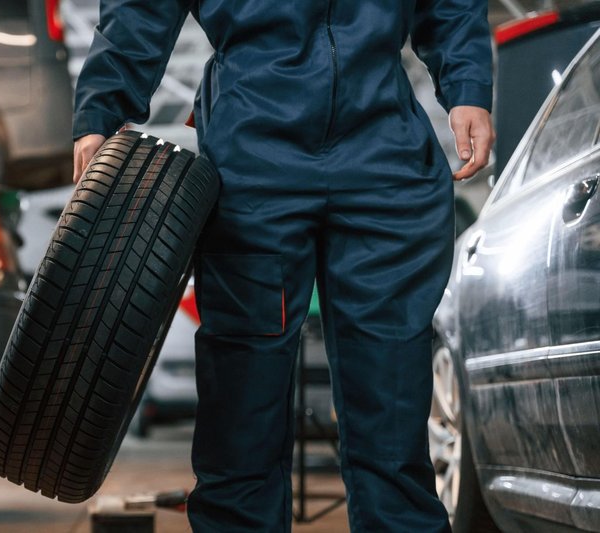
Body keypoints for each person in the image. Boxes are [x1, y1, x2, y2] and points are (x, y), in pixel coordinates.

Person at [71, 0, 495, 531]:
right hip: (253, 154)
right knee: (242, 411)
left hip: (384, 153)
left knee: (392, 410)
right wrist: (101, 112)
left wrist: (468, 86)